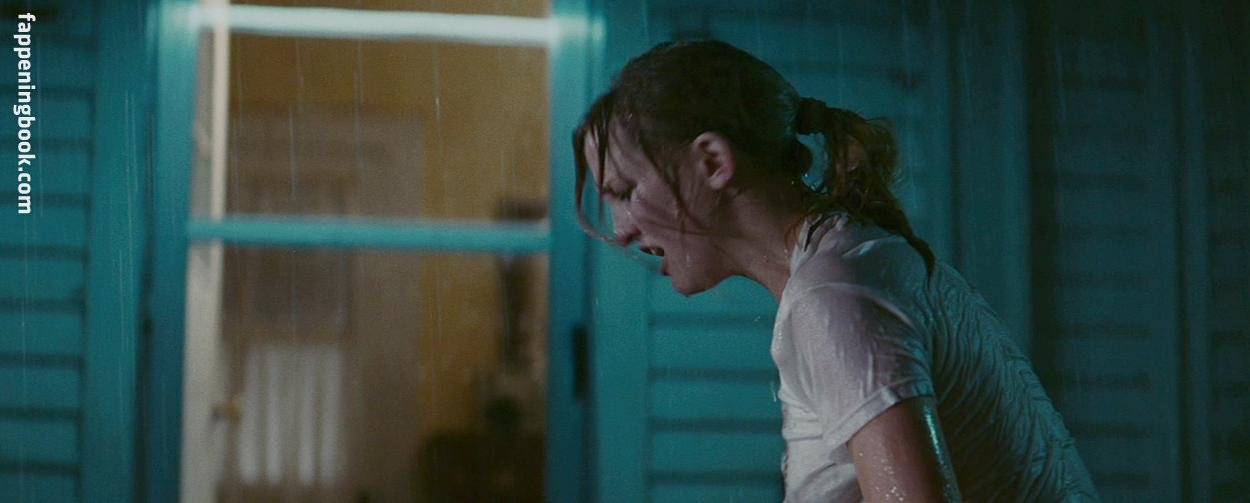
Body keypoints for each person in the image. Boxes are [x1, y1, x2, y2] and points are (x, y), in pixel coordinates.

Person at [572, 40, 1100, 502]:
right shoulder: (853, 262)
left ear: (712, 162)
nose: (621, 230)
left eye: (625, 191)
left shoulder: (836, 295)